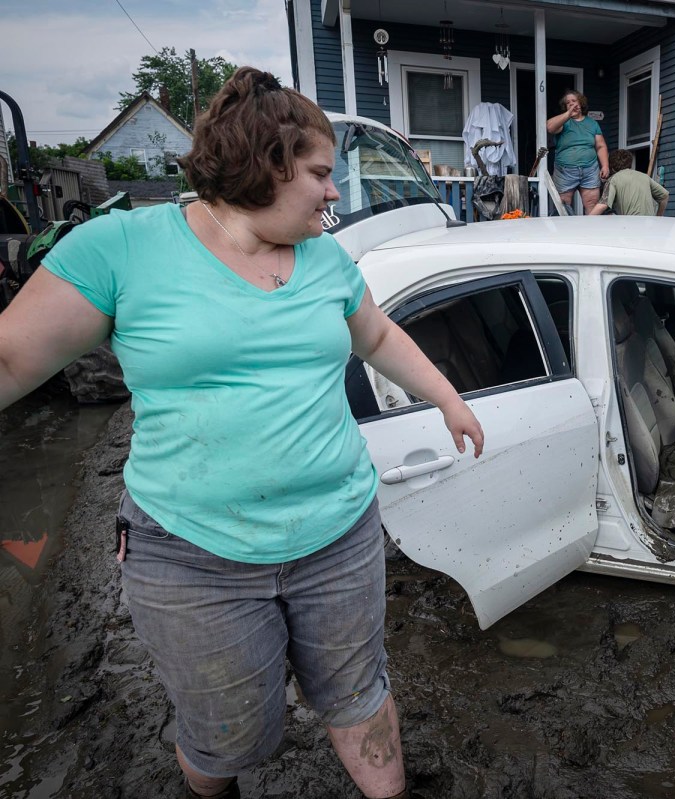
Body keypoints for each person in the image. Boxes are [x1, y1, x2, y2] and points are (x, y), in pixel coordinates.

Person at [0, 67, 483, 799]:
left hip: (339, 533)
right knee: (231, 734)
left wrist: (447, 397)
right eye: (322, 172)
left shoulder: (326, 257)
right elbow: (10, 358)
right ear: (270, 162)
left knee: (359, 695)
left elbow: (377, 334)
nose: (334, 192)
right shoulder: (124, 249)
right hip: (193, 555)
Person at [545, 89, 608, 214]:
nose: (571, 104)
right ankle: (566, 233)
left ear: (581, 103)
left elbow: (601, 146)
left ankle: (589, 233)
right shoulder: (563, 121)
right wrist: (568, 114)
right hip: (565, 170)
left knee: (592, 204)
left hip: (590, 169)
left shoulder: (592, 123)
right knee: (563, 205)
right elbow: (549, 127)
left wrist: (605, 165)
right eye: (568, 103)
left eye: (574, 101)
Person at [587, 149, 669, 217]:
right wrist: (658, 217)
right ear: (630, 164)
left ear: (611, 167)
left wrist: (586, 221)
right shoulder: (644, 177)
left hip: (631, 226)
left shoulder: (613, 179)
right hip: (649, 225)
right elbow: (665, 196)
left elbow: (603, 205)